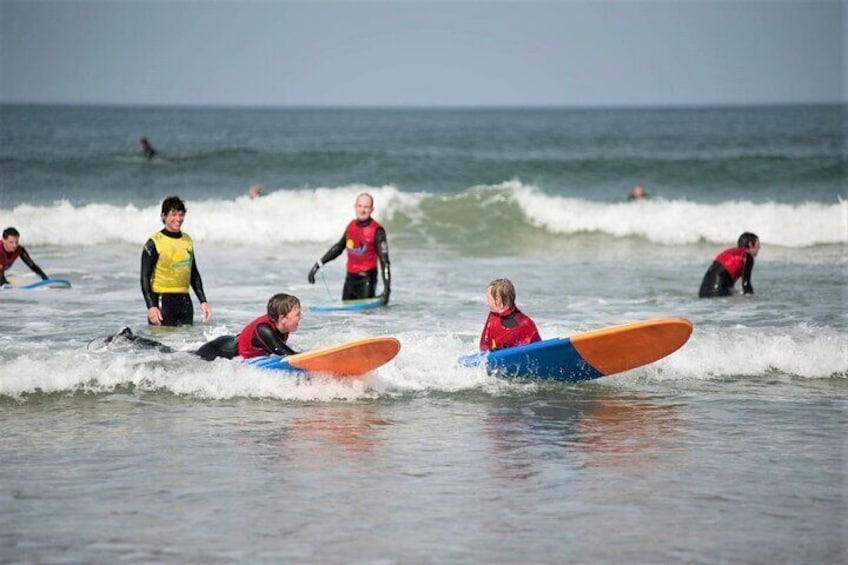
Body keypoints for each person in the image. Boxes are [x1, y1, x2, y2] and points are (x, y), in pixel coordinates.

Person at [100, 293, 301, 362]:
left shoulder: (280, 327)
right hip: (217, 351)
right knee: (171, 353)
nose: (300, 317)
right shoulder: (265, 330)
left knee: (175, 352)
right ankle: (129, 339)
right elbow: (286, 354)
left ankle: (130, 339)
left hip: (229, 342)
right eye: (297, 314)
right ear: (282, 318)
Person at [307, 192, 391, 304]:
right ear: (355, 207)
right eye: (360, 206)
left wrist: (386, 291)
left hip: (366, 280)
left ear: (372, 209)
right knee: (347, 317)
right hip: (350, 279)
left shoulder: (377, 231)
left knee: (365, 318)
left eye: (366, 207)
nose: (362, 210)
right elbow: (338, 248)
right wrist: (318, 265)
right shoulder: (351, 226)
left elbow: (384, 262)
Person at [140, 196, 211, 326]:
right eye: (173, 214)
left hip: (185, 302)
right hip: (162, 301)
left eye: (181, 214)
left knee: (185, 343)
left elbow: (193, 273)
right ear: (163, 216)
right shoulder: (154, 242)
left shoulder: (187, 240)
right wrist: (151, 306)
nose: (178, 219)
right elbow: (145, 276)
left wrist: (203, 301)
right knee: (161, 343)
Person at [479, 278, 542, 352]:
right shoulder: (493, 316)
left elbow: (538, 351)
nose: (487, 302)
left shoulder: (526, 324)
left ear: (498, 301)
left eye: (488, 298)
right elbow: (483, 348)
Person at [698, 232, 760, 298]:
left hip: (703, 291)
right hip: (718, 291)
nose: (759, 248)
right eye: (758, 245)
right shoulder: (747, 256)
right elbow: (746, 284)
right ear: (750, 244)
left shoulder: (729, 251)